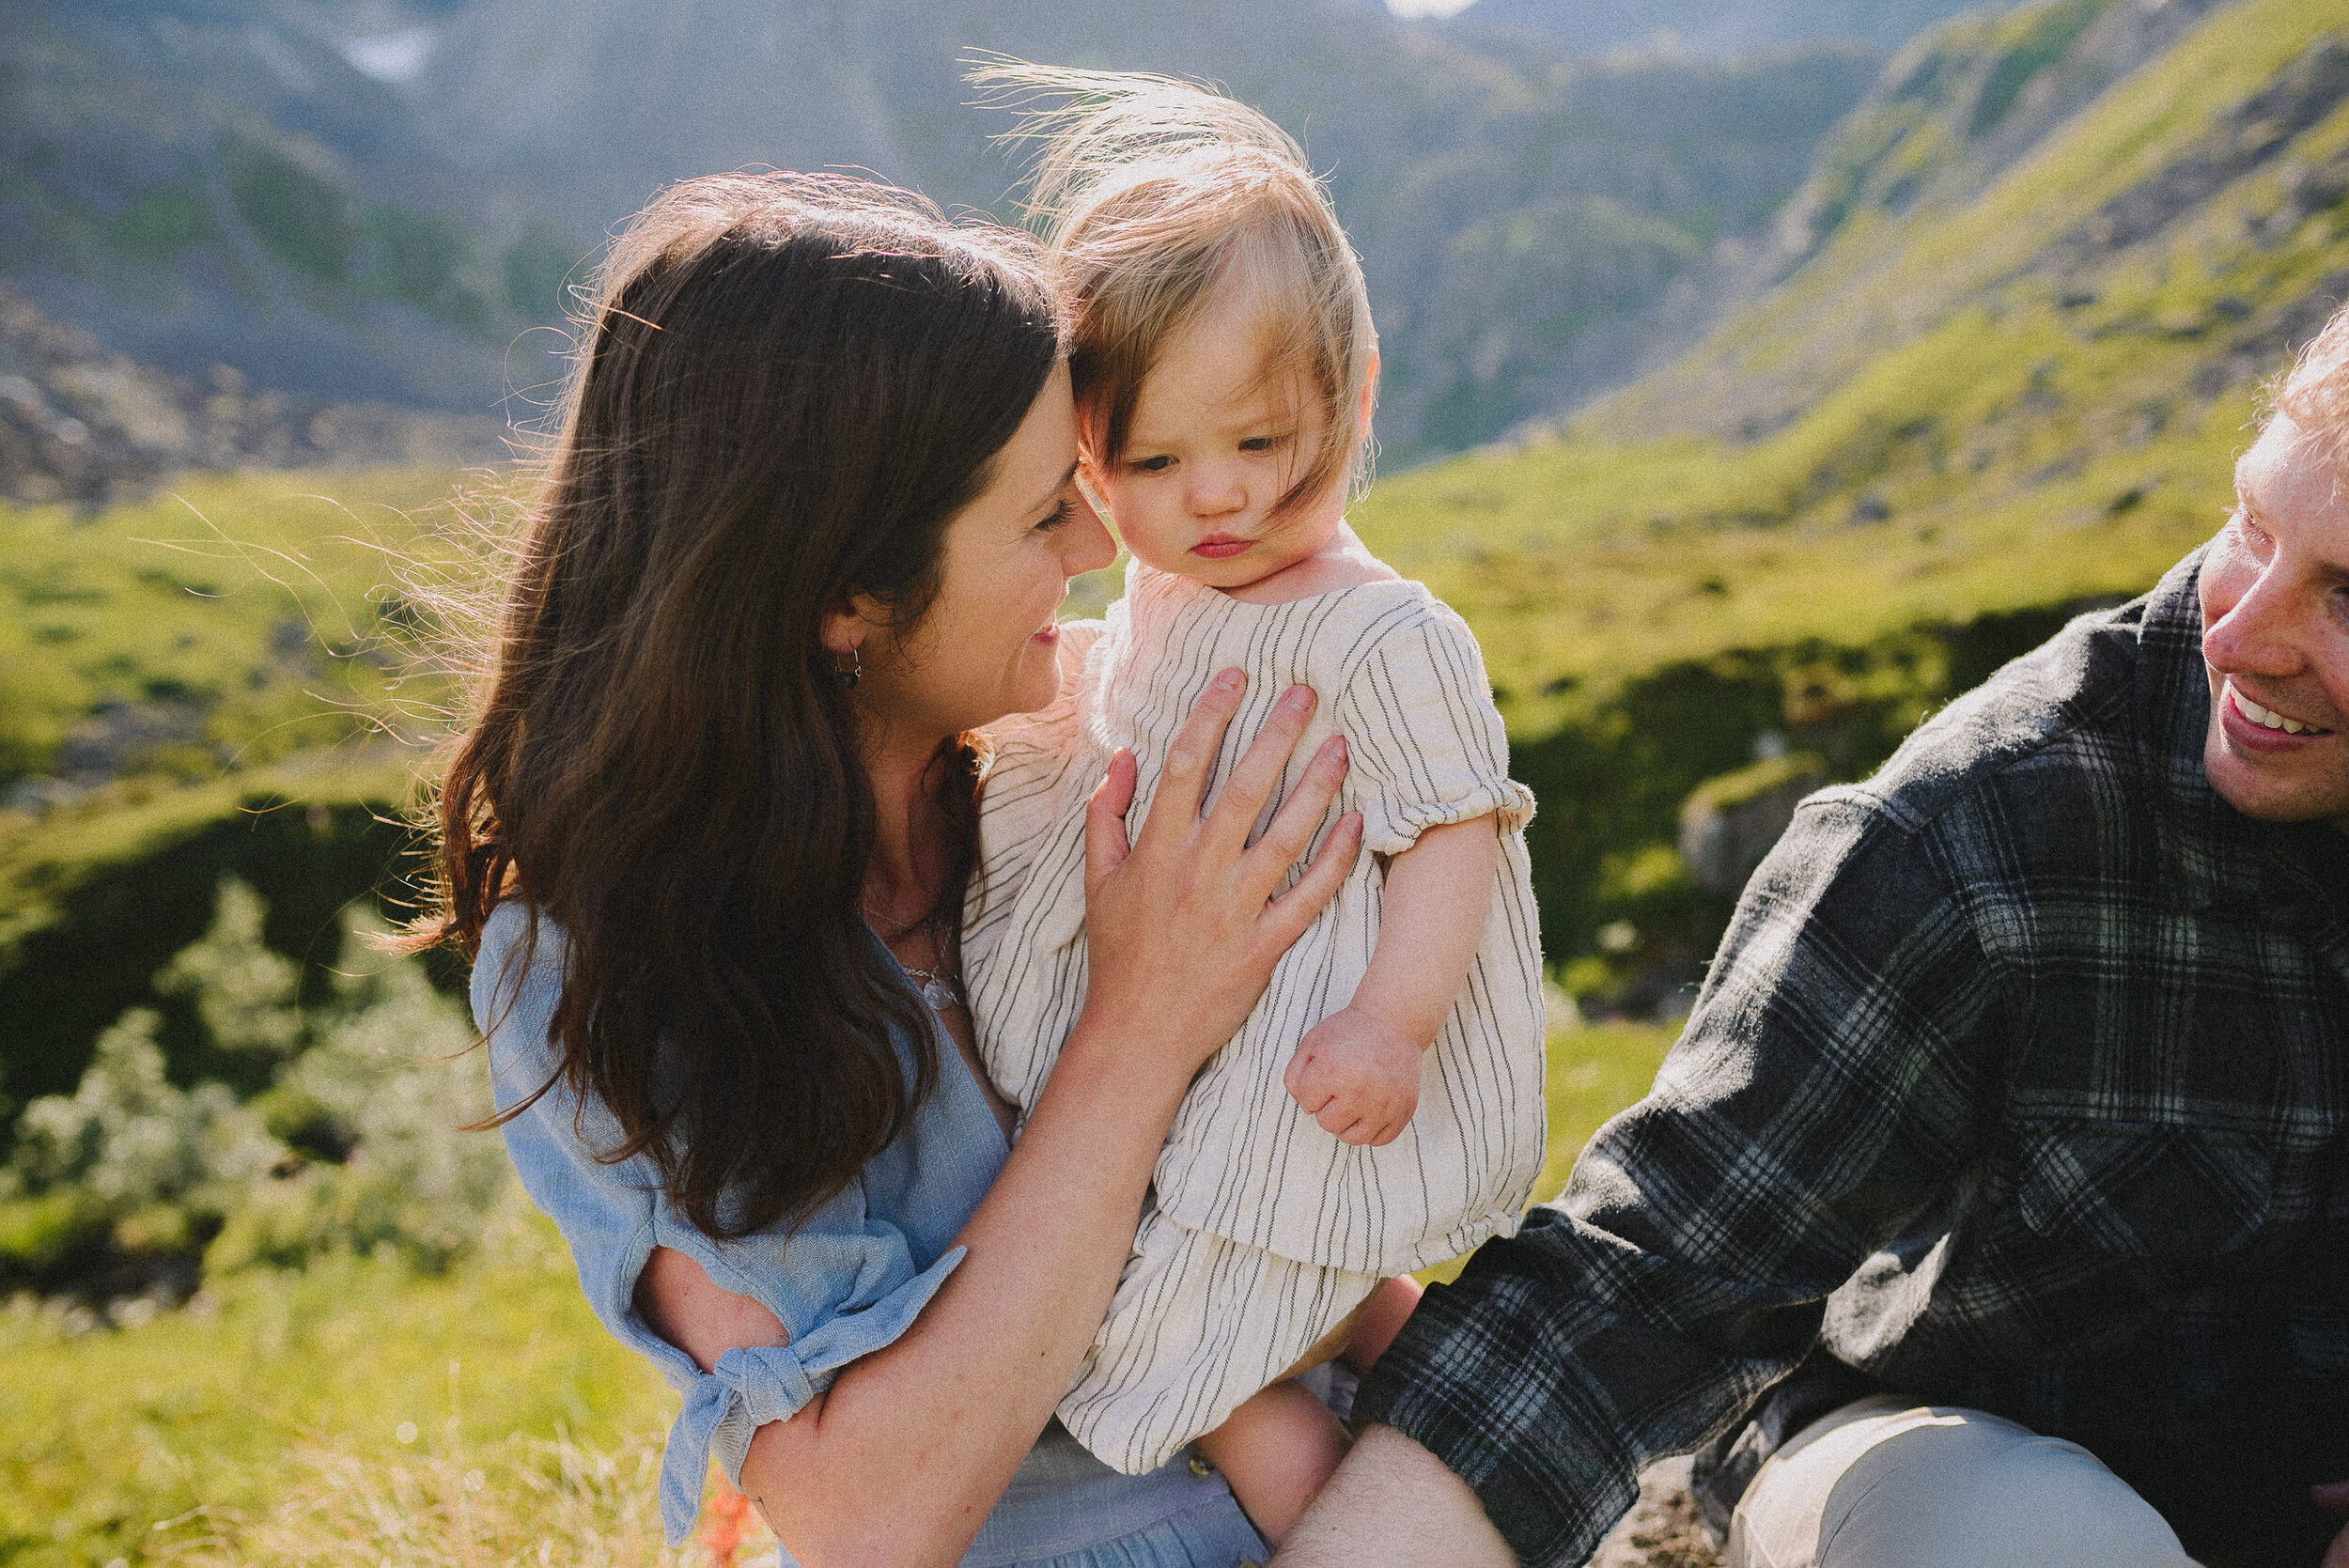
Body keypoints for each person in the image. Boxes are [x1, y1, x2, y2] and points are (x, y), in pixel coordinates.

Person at [1276, 305, 2349, 1568]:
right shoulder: (1975, 833)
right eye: (2251, 526)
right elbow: (1640, 1282)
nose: (2241, 635)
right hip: (1935, 1450)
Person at [422, 170, 1369, 1568]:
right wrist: (1142, 1021)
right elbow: (868, 1513)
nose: (1101, 547)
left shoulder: (1075, 764)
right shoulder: (603, 961)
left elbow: (1316, 1185)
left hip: (1356, 1490)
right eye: (1047, 510)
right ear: (841, 599)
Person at [956, 68, 1548, 1545]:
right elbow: (1146, 701)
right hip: (1202, 1046)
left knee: (1196, 1343)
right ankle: (1438, 1393)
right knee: (1306, 1291)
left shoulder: (1379, 631)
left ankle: (1344, 1525)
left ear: (1342, 408)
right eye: (1155, 461)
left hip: (1305, 1054)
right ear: (1095, 461)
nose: (1213, 497)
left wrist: (1393, 1023)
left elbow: (1455, 827)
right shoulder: (1170, 583)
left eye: (1260, 445)